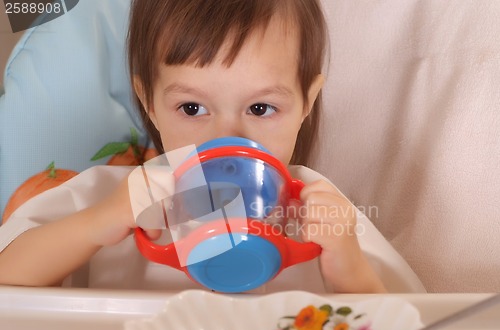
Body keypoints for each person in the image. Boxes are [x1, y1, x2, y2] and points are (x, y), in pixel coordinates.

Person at [0, 0, 425, 293]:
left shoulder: (324, 215)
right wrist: (97, 222)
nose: (227, 137)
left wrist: (350, 270)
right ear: (148, 100)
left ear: (305, 104)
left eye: (261, 107)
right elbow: (8, 278)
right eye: (191, 107)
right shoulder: (108, 196)